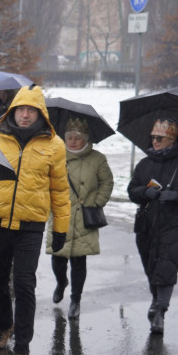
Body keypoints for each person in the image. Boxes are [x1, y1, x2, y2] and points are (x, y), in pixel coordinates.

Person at [0, 85, 69, 355]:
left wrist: (60, 228)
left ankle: (22, 350)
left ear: (40, 113)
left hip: (31, 226)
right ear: (12, 111)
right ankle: (4, 327)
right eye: (20, 109)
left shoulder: (54, 145)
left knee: (24, 284)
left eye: (31, 110)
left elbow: (60, 190)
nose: (25, 115)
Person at [127, 118, 178, 334]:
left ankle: (161, 310)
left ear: (171, 140)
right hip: (147, 223)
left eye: (160, 138)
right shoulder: (144, 164)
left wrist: (177, 194)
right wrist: (145, 192)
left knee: (167, 264)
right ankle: (155, 298)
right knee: (151, 265)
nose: (155, 141)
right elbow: (132, 190)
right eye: (153, 137)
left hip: (175, 223)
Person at [47, 117, 114, 319]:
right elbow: (46, 180)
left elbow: (107, 182)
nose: (73, 141)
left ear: (86, 139)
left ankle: (76, 300)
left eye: (78, 138)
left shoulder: (98, 159)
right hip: (61, 214)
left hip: (84, 216)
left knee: (79, 260)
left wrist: (96, 203)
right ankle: (61, 282)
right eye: (69, 137)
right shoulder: (56, 156)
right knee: (58, 256)